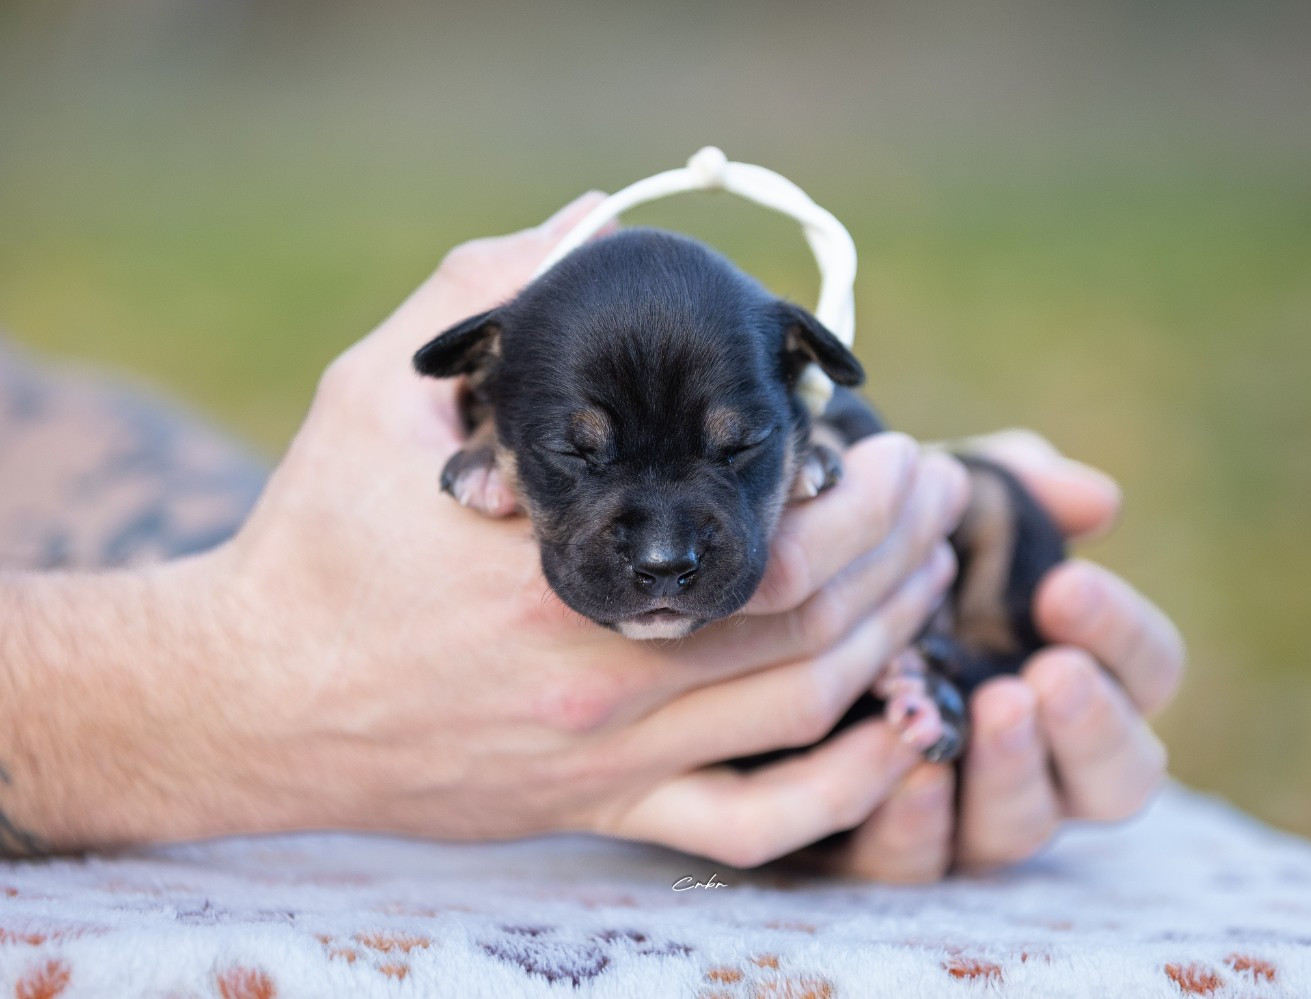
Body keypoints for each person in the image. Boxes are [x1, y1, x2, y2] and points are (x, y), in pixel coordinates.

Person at [0, 193, 1184, 883]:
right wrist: (231, 682)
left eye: (736, 454)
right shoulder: (500, 400)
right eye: (575, 453)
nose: (666, 553)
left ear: (797, 399)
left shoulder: (818, 420)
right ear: (487, 397)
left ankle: (940, 690)